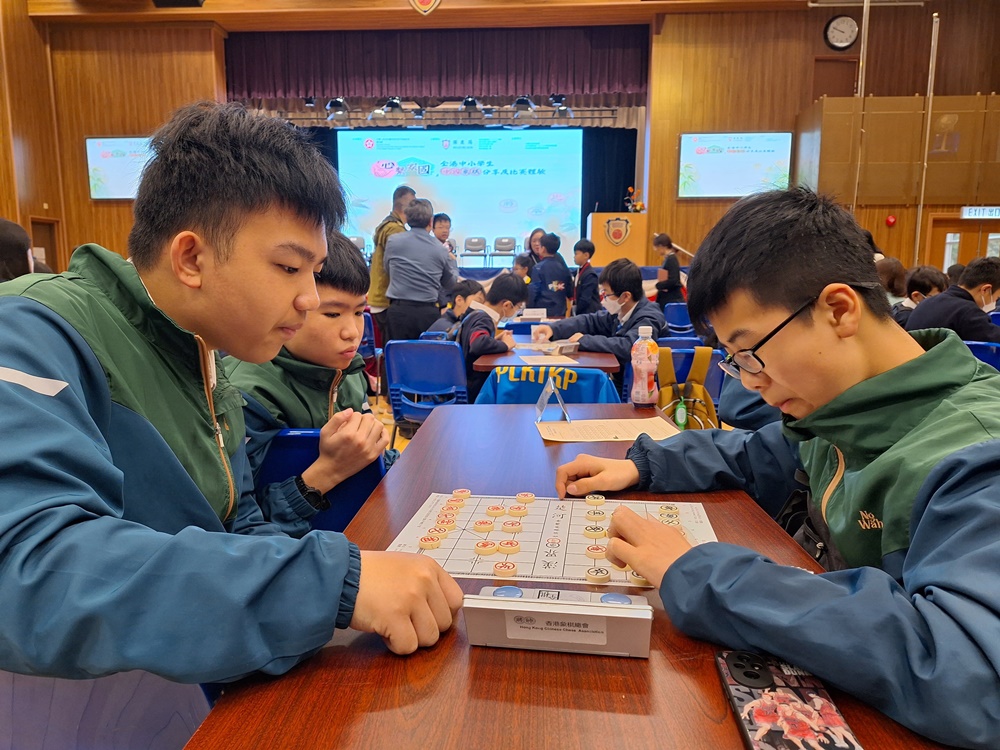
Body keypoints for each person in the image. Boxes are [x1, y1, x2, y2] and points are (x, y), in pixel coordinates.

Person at [0, 102, 461, 685]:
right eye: (289, 268)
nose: (309, 299)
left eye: (314, 272)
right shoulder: (32, 331)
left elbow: (237, 527)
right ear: (191, 258)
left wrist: (339, 591)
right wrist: (332, 583)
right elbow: (26, 568)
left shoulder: (209, 355)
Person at [554, 187, 1000, 749]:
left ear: (839, 310)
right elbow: (759, 453)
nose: (751, 382)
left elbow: (971, 674)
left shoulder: (978, 452)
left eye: (751, 353)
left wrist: (704, 575)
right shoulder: (849, 408)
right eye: (736, 362)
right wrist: (642, 465)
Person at [224, 231, 397, 538]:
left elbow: (374, 458)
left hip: (357, 531)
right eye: (332, 313)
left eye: (359, 312)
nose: (352, 332)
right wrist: (328, 471)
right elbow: (241, 529)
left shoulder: (349, 373)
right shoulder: (245, 394)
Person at [533, 258, 665, 389]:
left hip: (639, 388)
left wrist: (584, 340)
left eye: (606, 293)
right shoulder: (620, 312)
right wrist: (554, 329)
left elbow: (629, 346)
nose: (603, 299)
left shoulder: (649, 317)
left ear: (625, 296)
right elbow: (590, 321)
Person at [384, 198, 459, 340]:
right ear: (431, 222)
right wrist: (453, 264)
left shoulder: (393, 241)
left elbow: (388, 270)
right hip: (427, 313)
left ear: (407, 219)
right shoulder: (440, 249)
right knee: (426, 352)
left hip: (398, 312)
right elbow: (449, 283)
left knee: (396, 352)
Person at [457, 273, 527, 401]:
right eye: (518, 307)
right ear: (507, 305)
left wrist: (494, 341)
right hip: (476, 388)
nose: (517, 312)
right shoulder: (484, 318)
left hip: (467, 382)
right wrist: (505, 345)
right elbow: (478, 344)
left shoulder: (475, 314)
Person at [905, 256, 1000, 343]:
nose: (995, 301)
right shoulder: (969, 312)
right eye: (997, 297)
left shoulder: (926, 303)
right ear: (985, 290)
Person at [369, 185, 416, 347]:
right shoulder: (395, 230)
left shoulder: (387, 225)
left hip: (381, 297)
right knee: (392, 348)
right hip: (386, 299)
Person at [527, 232, 573, 318]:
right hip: (560, 310)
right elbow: (569, 286)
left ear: (543, 249)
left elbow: (534, 290)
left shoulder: (538, 268)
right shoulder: (562, 267)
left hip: (542, 312)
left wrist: (528, 308)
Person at [653, 232, 685, 306]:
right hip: (668, 298)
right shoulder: (668, 259)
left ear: (661, 246)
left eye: (657, 248)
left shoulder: (671, 259)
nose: (657, 250)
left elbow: (673, 280)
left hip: (671, 299)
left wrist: (659, 285)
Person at [571, 239, 600, 315]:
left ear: (586, 255)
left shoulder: (590, 275)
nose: (574, 257)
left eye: (576, 254)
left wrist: (576, 312)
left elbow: (585, 299)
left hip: (589, 313)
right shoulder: (577, 272)